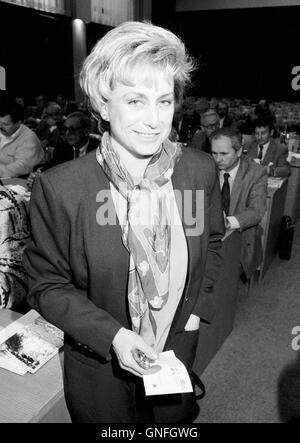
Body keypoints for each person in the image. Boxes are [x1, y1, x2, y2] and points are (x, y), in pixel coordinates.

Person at [24, 21, 225, 423]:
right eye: (135, 101)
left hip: (175, 351)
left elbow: (214, 242)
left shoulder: (198, 172)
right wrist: (113, 336)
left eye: (164, 102)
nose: (153, 120)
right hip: (99, 369)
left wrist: (195, 310)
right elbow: (46, 285)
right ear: (102, 102)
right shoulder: (63, 188)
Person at [210, 127, 267, 282]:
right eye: (214, 153)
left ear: (239, 151)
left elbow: (257, 211)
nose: (217, 159)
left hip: (239, 235)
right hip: (209, 234)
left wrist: (228, 222)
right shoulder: (207, 168)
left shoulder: (256, 172)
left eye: (224, 154)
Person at [0, 99, 44, 178]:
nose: (0, 127)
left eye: (5, 124)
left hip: (17, 180)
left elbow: (22, 167)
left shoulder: (28, 139)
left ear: (18, 123)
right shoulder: (3, 131)